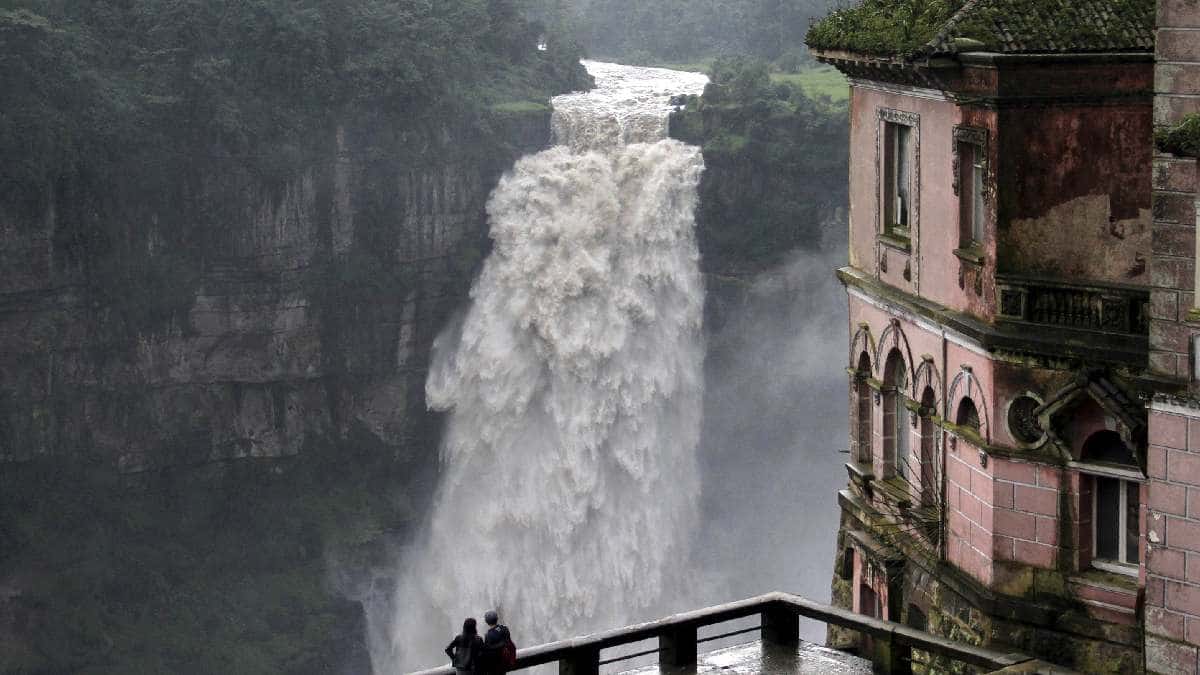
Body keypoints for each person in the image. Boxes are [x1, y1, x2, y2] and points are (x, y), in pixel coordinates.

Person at [478, 609, 514, 675]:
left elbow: (488, 653)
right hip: (505, 661)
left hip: (495, 665)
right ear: (497, 619)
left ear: (486, 621)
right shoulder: (504, 628)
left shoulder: (488, 635)